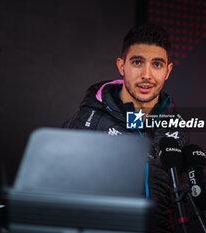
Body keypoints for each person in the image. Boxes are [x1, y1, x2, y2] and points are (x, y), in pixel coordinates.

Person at [63, 23, 189, 233]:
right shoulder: (89, 120)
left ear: (168, 70)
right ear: (122, 66)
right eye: (138, 62)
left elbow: (173, 200)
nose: (147, 75)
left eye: (157, 64)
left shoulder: (176, 127)